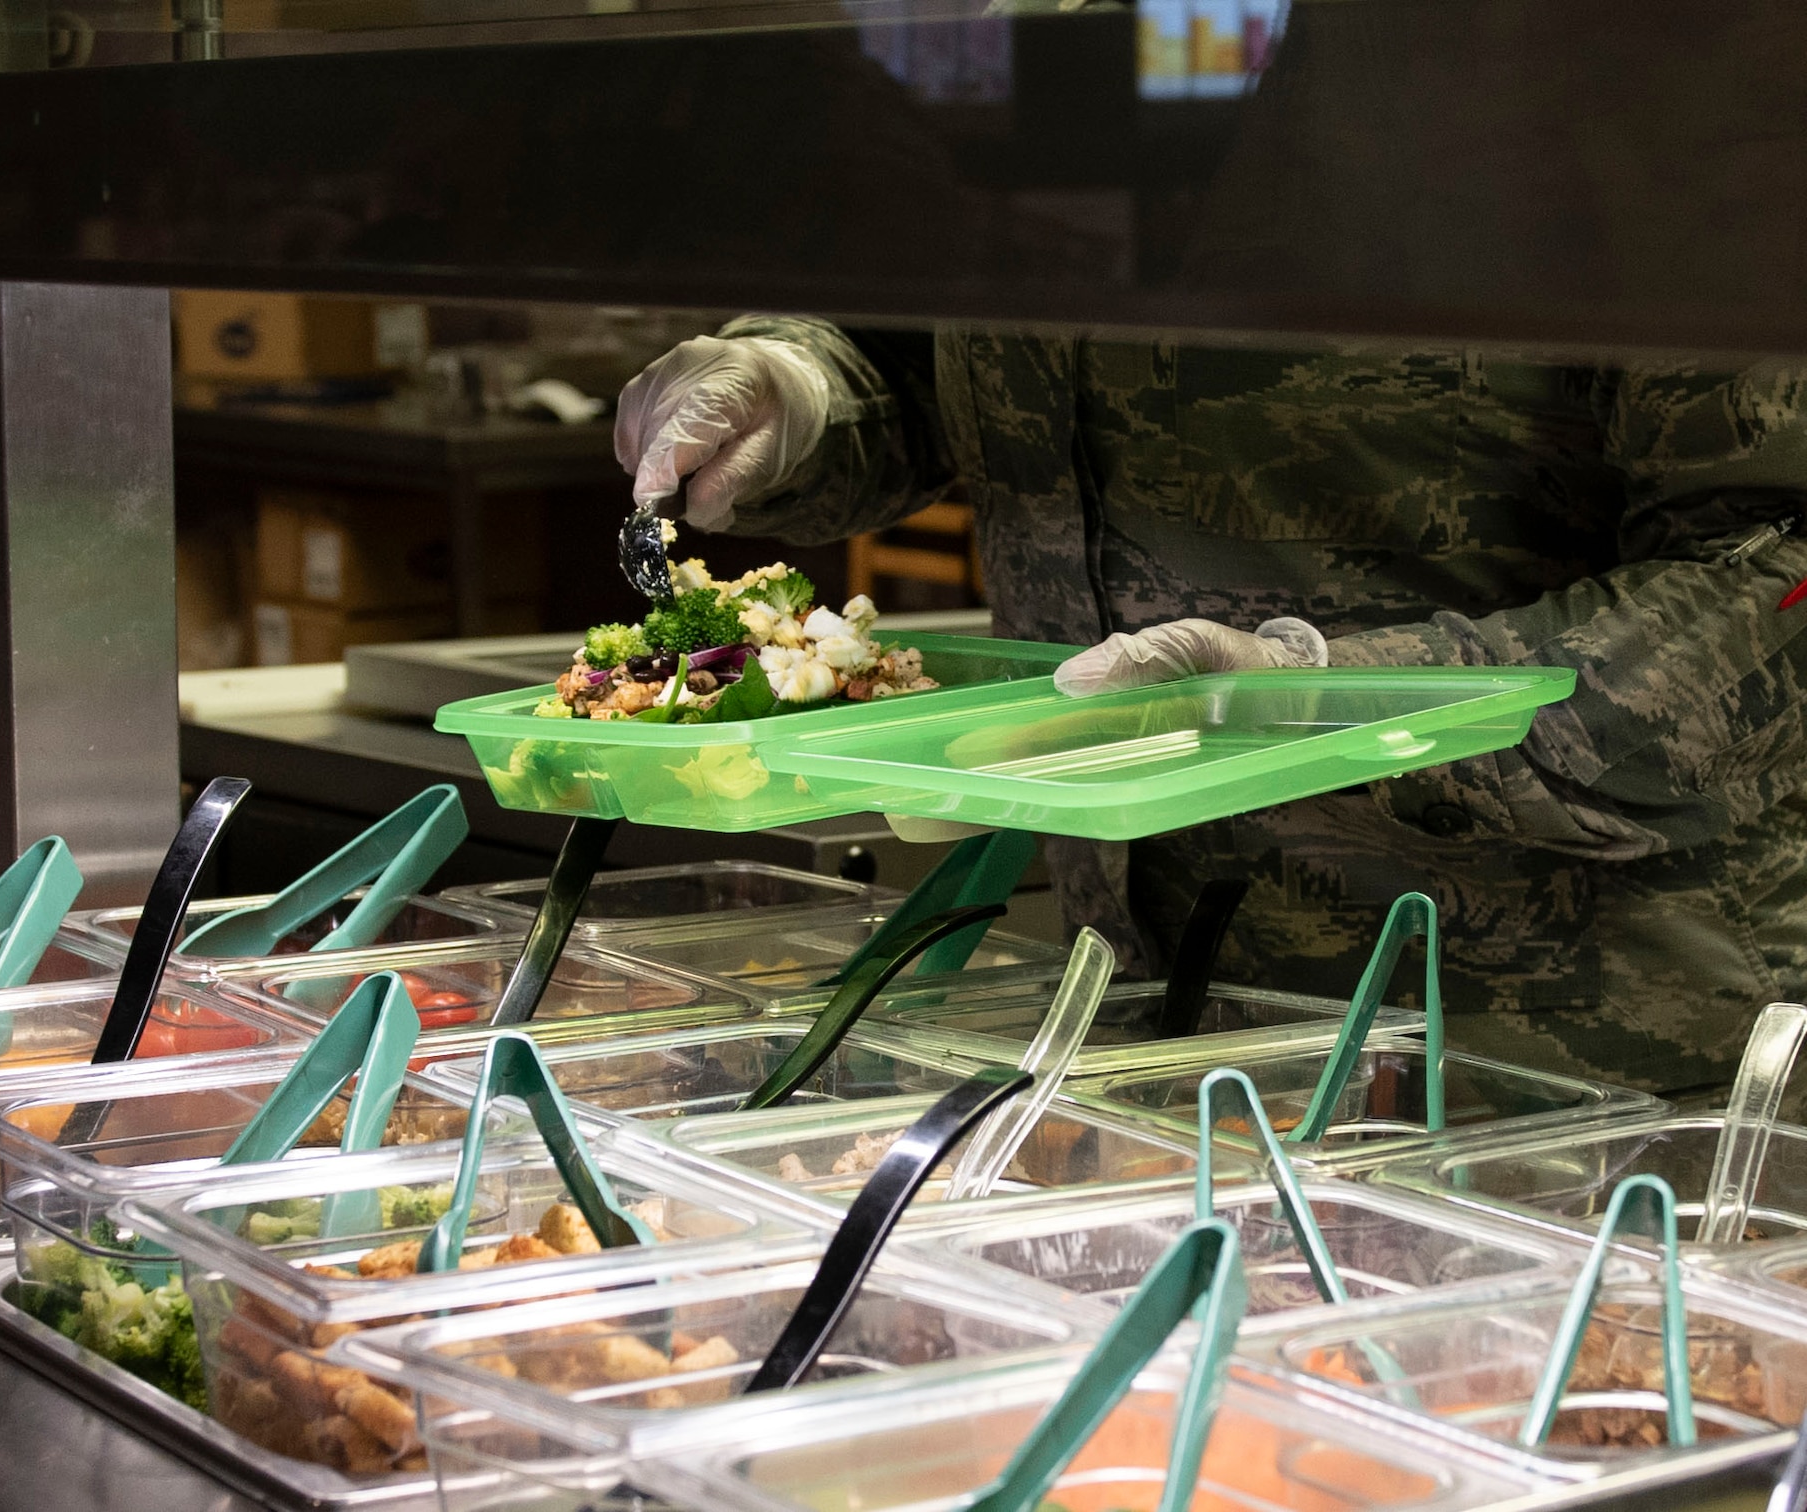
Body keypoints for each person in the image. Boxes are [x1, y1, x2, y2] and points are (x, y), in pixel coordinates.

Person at [613, 321, 1807, 1100]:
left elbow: (1773, 570)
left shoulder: (1616, 69)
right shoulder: (1061, 49)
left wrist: (1317, 697)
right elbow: (953, 359)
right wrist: (816, 395)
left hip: (1561, 1065)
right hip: (1134, 1012)